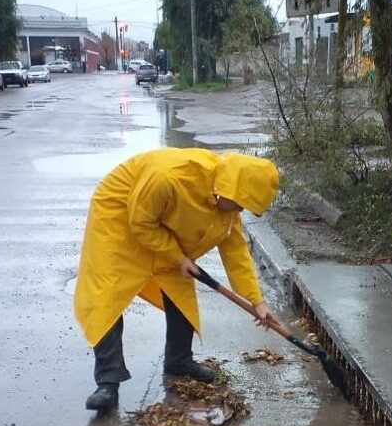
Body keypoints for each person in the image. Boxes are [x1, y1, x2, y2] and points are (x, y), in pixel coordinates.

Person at [74, 148, 281, 411]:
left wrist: (257, 301)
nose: (240, 210)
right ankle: (107, 383)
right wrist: (177, 256)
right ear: (230, 188)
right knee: (106, 294)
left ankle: (179, 362)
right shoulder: (171, 176)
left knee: (179, 291)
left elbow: (236, 252)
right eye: (241, 203)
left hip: (160, 224)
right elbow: (141, 222)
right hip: (120, 214)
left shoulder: (226, 206)